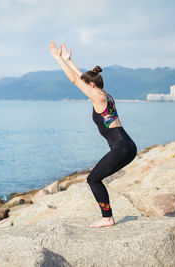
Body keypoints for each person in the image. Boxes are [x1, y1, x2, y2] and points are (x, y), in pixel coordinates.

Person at [49, 41, 137, 228]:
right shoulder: (105, 95)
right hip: (127, 146)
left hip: (121, 147)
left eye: (86, 85)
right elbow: (83, 78)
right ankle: (107, 216)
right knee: (96, 178)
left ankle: (107, 217)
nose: (84, 87)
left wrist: (58, 59)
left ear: (90, 85)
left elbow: (75, 80)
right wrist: (70, 61)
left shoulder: (98, 97)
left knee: (93, 179)